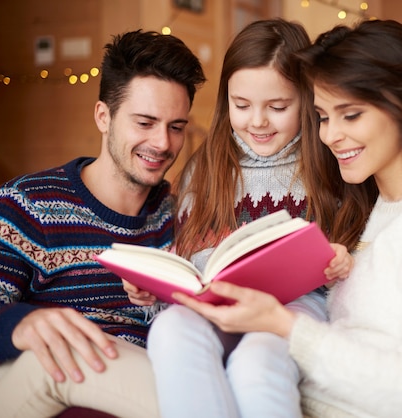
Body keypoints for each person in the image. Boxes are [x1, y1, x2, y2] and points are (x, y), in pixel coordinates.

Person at [174, 19, 402, 418]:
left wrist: (284, 326)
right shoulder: (377, 205)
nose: (330, 135)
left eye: (350, 115)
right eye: (322, 116)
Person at [123, 18, 352, 418]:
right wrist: (155, 289)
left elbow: (352, 245)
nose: (257, 121)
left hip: (296, 306)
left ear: (306, 98)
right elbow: (189, 252)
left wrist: (341, 259)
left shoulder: (331, 163)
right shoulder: (206, 165)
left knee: (256, 363)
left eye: (278, 107)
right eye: (241, 106)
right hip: (217, 306)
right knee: (170, 330)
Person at [0, 29, 205, 418]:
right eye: (145, 122)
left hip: (130, 390)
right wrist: (20, 324)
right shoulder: (27, 204)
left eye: (176, 127)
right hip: (25, 387)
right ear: (104, 116)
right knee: (61, 352)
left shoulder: (180, 219)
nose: (162, 143)